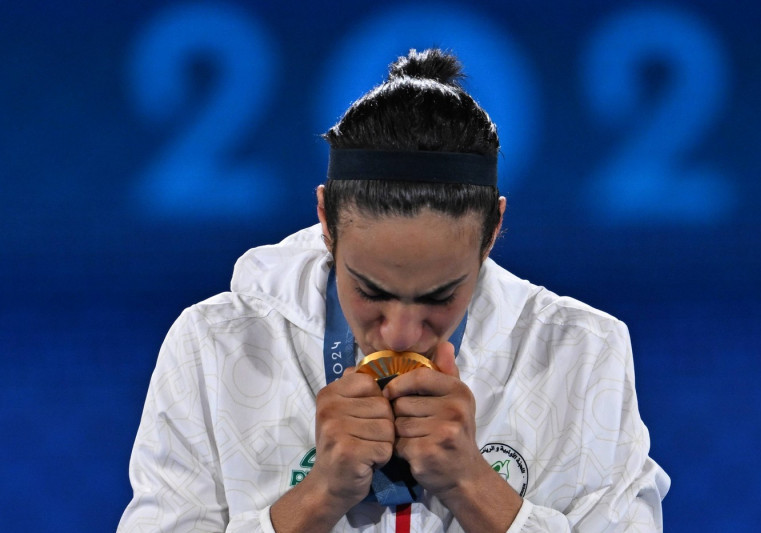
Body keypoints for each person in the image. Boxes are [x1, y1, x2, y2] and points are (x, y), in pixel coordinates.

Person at [118, 48, 669, 532]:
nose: (402, 331)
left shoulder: (580, 353)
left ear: (492, 231)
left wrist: (474, 486)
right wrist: (317, 497)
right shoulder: (215, 348)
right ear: (325, 222)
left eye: (440, 297)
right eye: (370, 291)